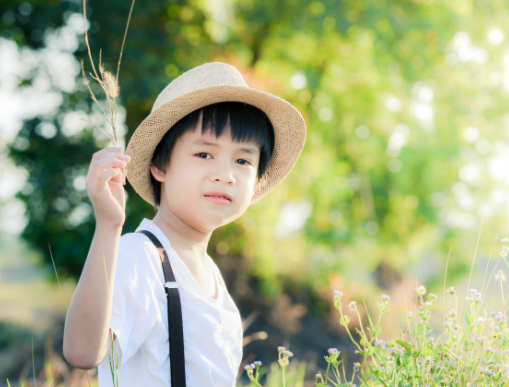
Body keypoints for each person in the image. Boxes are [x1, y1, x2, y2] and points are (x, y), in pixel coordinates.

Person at [63, 62, 306, 386]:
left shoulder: (214, 281)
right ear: (160, 165)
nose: (225, 174)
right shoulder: (141, 256)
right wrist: (108, 227)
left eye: (243, 160)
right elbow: (82, 352)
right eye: (204, 154)